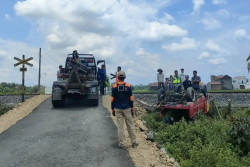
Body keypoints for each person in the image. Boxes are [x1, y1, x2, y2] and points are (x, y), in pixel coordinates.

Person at [111, 71, 138, 149]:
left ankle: (122, 144)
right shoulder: (128, 86)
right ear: (124, 77)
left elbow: (112, 99)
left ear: (118, 77)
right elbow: (131, 98)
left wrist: (112, 109)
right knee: (130, 125)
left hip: (118, 109)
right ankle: (134, 142)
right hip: (127, 108)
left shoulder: (114, 86)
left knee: (120, 127)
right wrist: (132, 108)